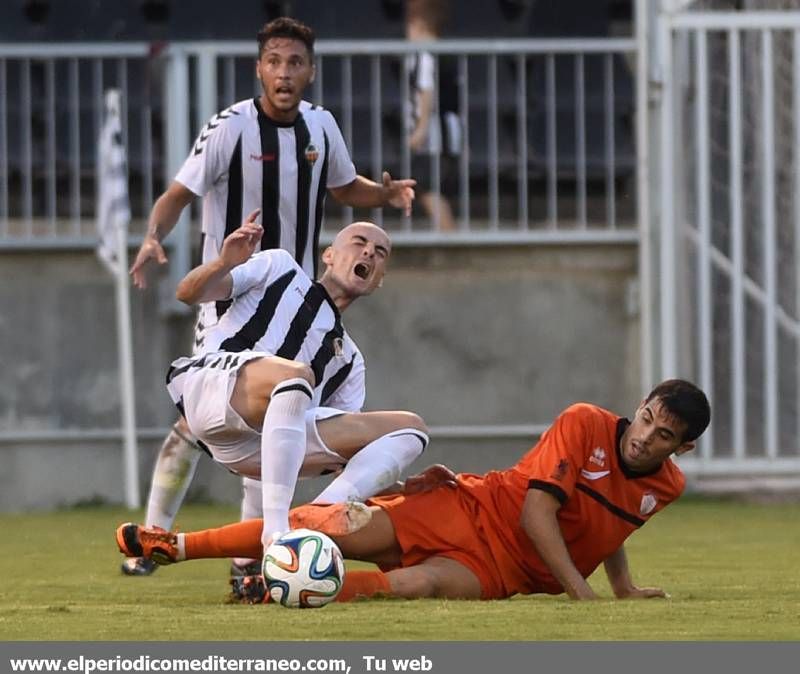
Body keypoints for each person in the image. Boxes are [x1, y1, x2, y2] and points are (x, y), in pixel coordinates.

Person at [122, 16, 416, 576]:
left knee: (280, 422)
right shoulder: (230, 127)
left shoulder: (321, 128)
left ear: (310, 72)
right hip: (234, 293)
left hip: (297, 297)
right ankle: (154, 542)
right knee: (197, 426)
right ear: (259, 69)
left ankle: (251, 560)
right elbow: (180, 191)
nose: (284, 72)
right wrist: (153, 236)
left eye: (295, 62)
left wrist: (382, 193)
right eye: (274, 61)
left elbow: (344, 185)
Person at [117, 379, 710, 602]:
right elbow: (537, 514)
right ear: (641, 405)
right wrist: (583, 593)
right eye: (649, 417)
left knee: (415, 585)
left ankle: (271, 591)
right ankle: (175, 544)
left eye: (665, 435)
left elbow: (612, 524)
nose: (646, 437)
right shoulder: (586, 422)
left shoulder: (669, 486)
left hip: (505, 575)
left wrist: (623, 585)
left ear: (680, 449)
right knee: (335, 525)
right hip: (472, 509)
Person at [119, 217, 430, 564]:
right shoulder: (280, 268)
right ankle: (276, 533)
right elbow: (187, 293)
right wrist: (225, 262)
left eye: (380, 253)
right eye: (359, 242)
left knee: (411, 428)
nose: (369, 252)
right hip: (213, 391)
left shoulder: (350, 362)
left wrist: (407, 492)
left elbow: (352, 462)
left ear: (379, 281)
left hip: (260, 447)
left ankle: (317, 515)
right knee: (295, 376)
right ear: (329, 255)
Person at [405, 0, 458, 232]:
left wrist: (421, 128)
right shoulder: (441, 52)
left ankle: (451, 240)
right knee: (432, 188)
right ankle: (449, 238)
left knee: (428, 189)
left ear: (417, 24)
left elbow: (426, 91)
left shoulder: (424, 54)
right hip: (445, 131)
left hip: (435, 135)